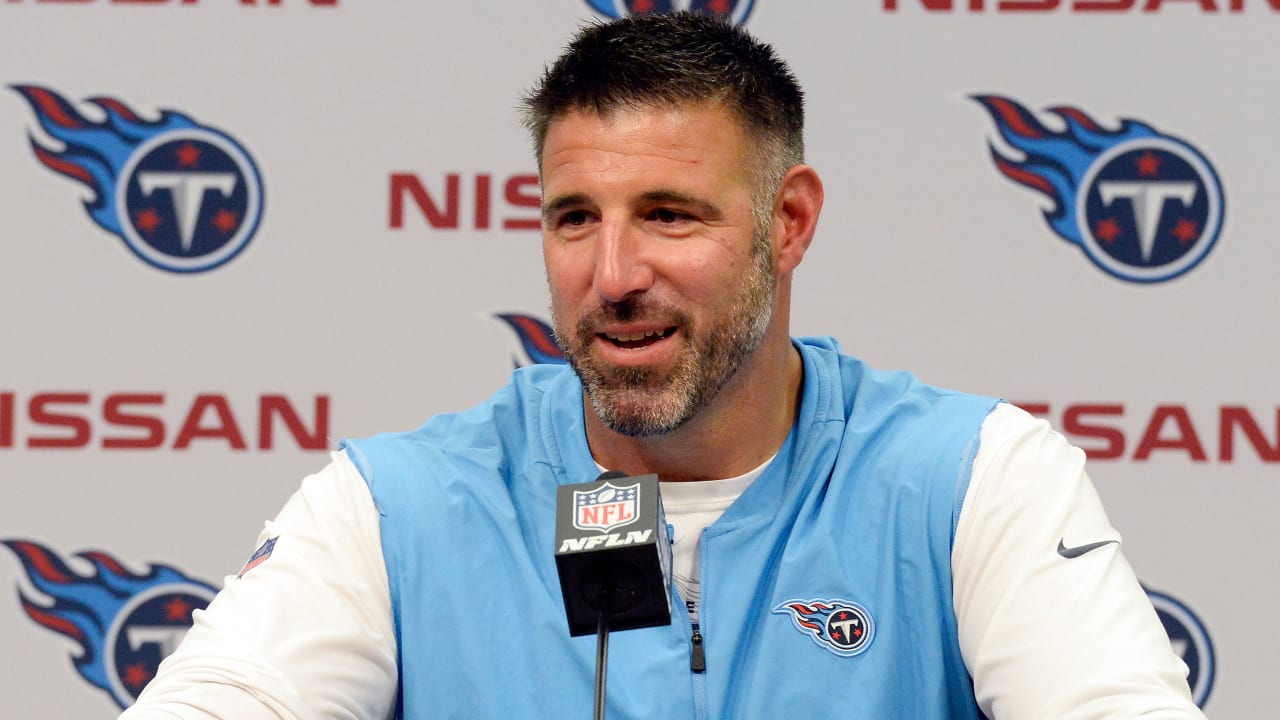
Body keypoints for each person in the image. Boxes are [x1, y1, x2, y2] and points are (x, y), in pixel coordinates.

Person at [121, 12, 1205, 720]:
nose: (613, 273)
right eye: (572, 217)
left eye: (669, 216)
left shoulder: (971, 479)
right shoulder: (397, 507)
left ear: (786, 223)